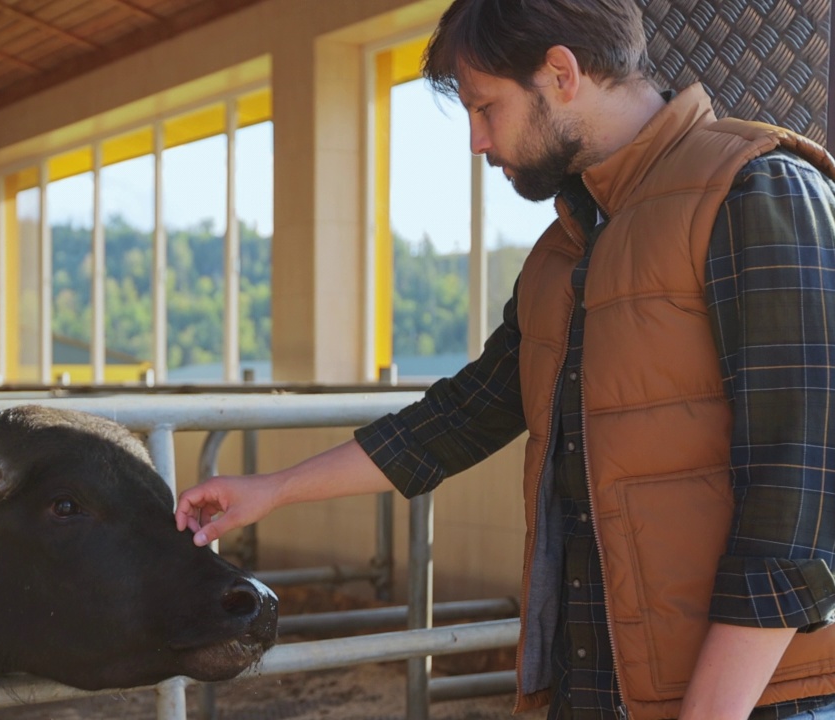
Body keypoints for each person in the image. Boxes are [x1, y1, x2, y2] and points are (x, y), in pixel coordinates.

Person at [174, 1, 835, 718]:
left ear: (560, 73)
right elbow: (460, 415)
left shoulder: (758, 189)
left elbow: (803, 480)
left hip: (754, 700)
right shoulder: (564, 252)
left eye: (486, 106)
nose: (476, 141)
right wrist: (273, 490)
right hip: (598, 686)